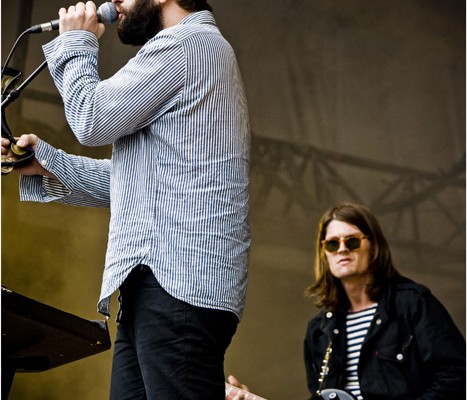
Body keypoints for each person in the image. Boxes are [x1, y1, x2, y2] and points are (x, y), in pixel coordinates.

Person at [2, 0, 250, 399]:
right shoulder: (192, 49)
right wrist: (45, 164)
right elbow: (132, 183)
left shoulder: (187, 45)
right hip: (159, 282)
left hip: (177, 283)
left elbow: (92, 119)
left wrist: (78, 41)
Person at [227, 202, 466, 400]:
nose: (342, 249)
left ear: (373, 246)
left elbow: (457, 376)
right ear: (325, 253)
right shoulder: (320, 330)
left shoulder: (413, 303)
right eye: (332, 244)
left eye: (351, 241)